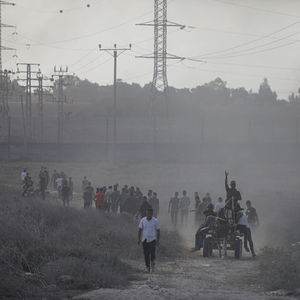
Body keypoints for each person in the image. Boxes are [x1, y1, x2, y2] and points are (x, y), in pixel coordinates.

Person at [138, 208, 160, 273]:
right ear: (146, 213)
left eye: (150, 213)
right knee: (146, 254)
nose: (149, 215)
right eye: (148, 213)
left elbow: (158, 231)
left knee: (152, 253)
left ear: (152, 214)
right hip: (144, 239)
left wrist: (158, 241)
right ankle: (147, 267)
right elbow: (140, 230)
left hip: (152, 240)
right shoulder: (143, 220)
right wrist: (139, 239)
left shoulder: (155, 221)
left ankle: (153, 266)